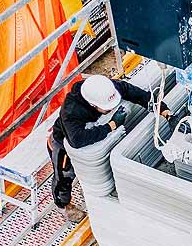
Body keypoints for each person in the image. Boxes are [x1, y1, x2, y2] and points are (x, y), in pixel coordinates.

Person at [48, 74, 159, 213]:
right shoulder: (71, 110)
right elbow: (77, 140)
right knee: (64, 175)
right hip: (63, 141)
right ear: (93, 104)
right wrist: (111, 126)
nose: (111, 110)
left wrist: (164, 110)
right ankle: (63, 205)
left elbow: (138, 94)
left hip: (92, 126)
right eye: (107, 109)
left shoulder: (108, 89)